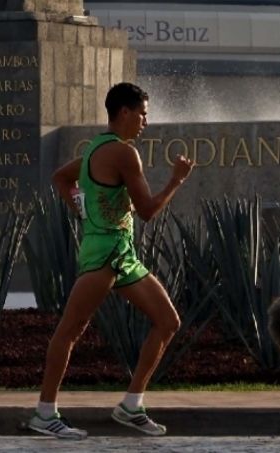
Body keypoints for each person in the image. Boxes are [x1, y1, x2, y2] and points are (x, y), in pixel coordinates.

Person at [28, 82, 195, 439]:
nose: (145, 121)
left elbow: (62, 177)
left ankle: (131, 405)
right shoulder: (122, 152)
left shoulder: (94, 149)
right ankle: (45, 413)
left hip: (122, 254)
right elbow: (149, 210)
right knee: (71, 329)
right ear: (124, 112)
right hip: (104, 253)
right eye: (142, 114)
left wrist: (81, 207)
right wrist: (176, 181)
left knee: (167, 321)